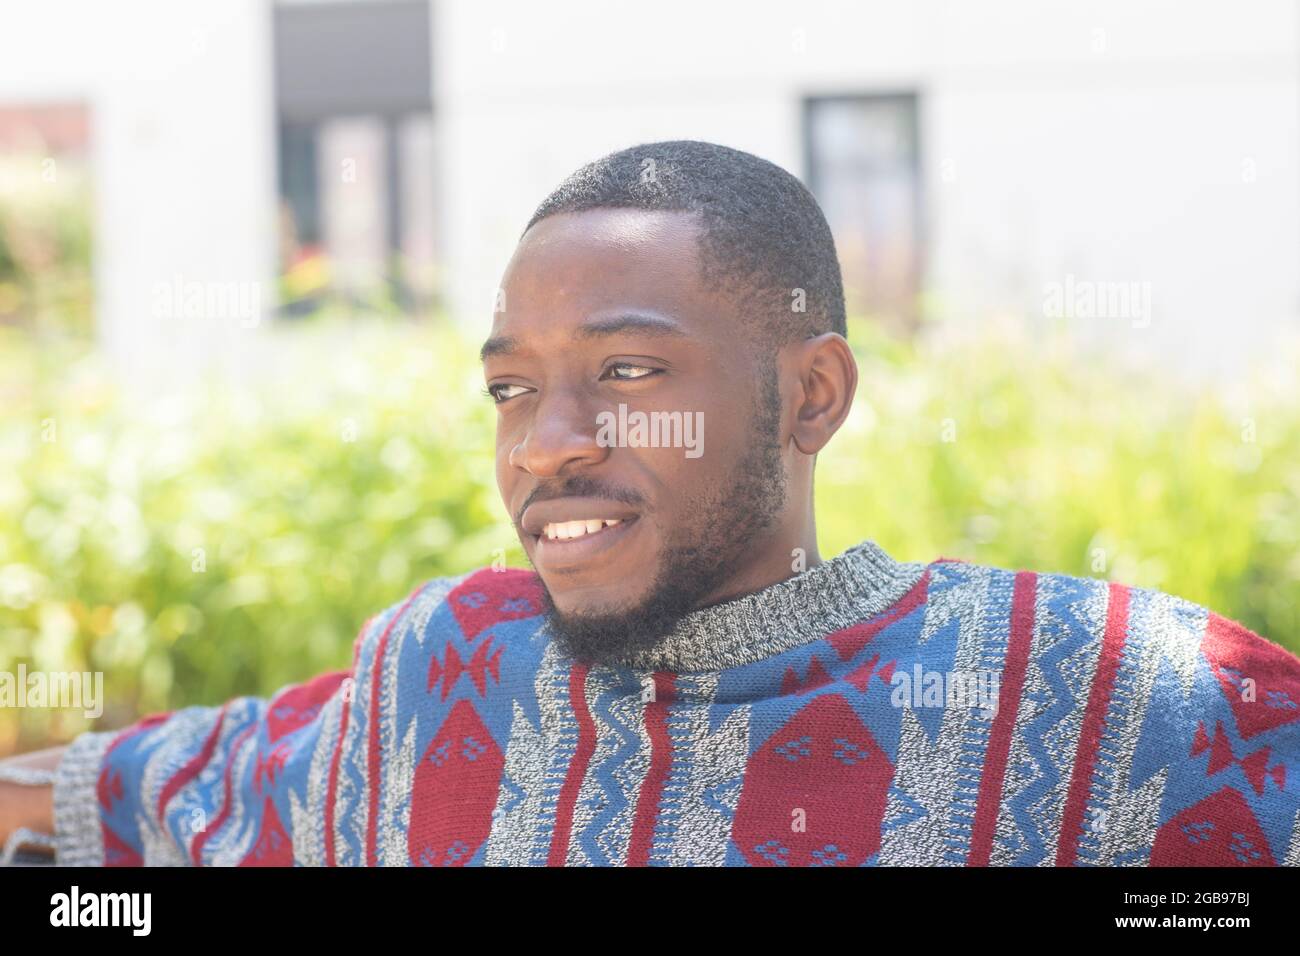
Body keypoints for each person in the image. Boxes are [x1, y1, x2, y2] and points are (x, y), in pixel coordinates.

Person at [3, 140, 1298, 867]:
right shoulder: (441, 675)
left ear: (812, 396)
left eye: (628, 372)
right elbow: (127, 792)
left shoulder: (1095, 698)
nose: (544, 448)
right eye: (512, 388)